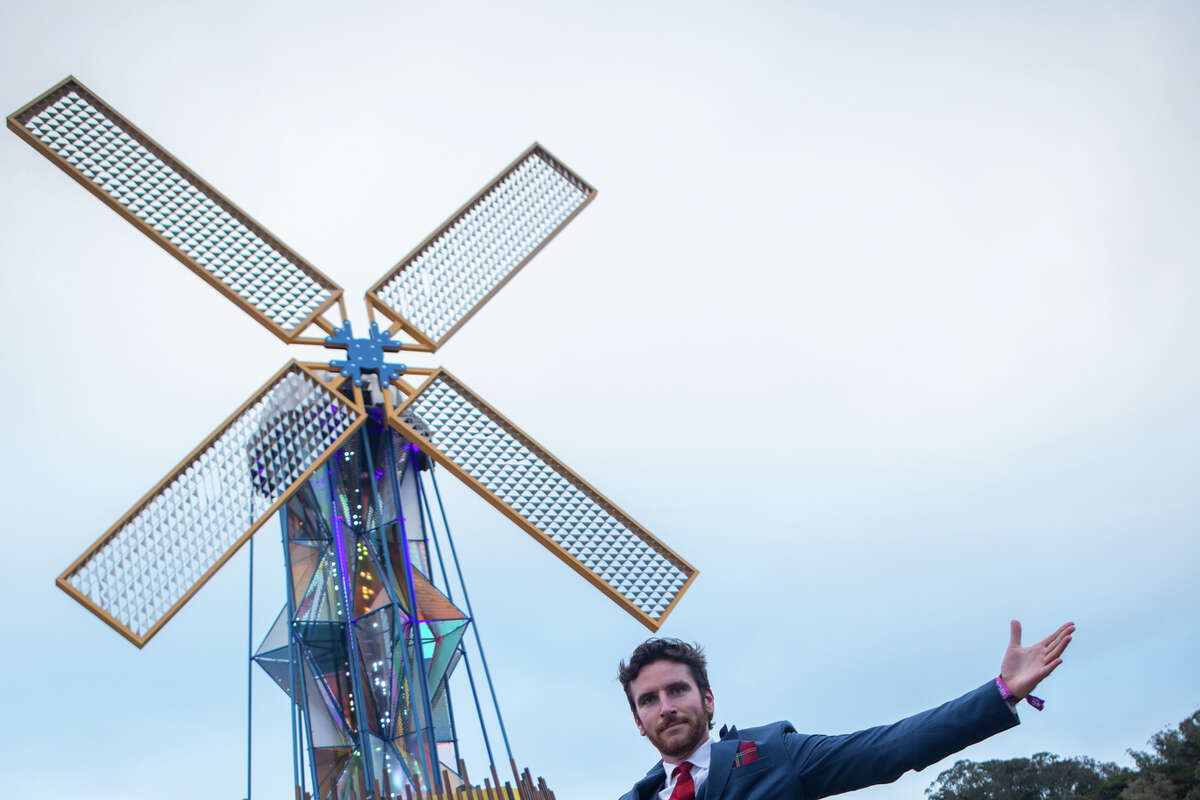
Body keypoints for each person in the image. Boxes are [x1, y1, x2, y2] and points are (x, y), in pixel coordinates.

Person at [616, 621, 1074, 800]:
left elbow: (892, 747)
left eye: (677, 690)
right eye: (650, 700)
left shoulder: (774, 754)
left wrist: (1001, 692)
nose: (667, 707)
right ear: (638, 721)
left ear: (708, 699)